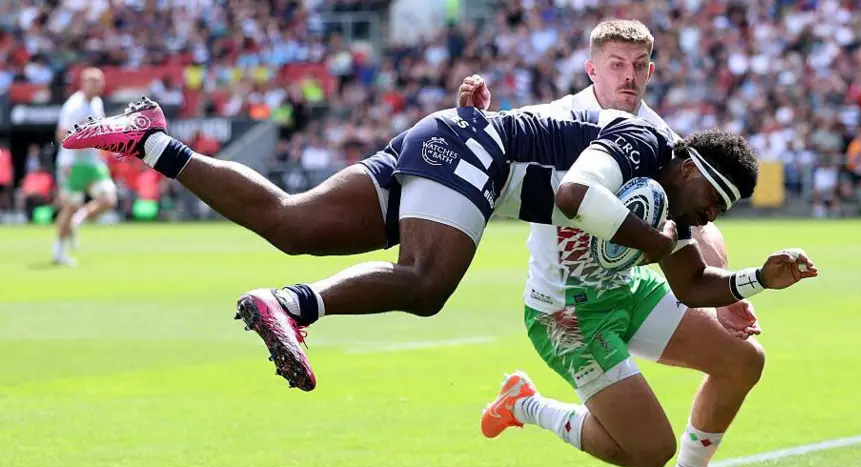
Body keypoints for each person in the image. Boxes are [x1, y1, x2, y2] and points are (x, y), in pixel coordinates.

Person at [63, 95, 807, 397]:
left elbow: (692, 288)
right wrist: (660, 241)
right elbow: (577, 196)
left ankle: (152, 138)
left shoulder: (668, 206)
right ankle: (292, 306)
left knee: (291, 224)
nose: (704, 215)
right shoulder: (644, 139)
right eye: (710, 200)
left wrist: (754, 279)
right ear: (689, 167)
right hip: (472, 147)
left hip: (454, 144)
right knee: (426, 284)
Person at [461, 20, 817, 467]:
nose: (627, 77)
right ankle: (525, 404)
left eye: (637, 67)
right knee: (649, 451)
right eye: (615, 65)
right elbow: (500, 142)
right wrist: (477, 118)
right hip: (567, 316)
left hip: (630, 290)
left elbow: (696, 226)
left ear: (650, 72)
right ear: (592, 70)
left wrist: (737, 290)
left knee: (744, 360)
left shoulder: (662, 138)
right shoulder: (557, 119)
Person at [52, 68, 119, 266]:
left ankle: (77, 222)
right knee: (70, 206)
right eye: (92, 81)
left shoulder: (97, 104)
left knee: (108, 199)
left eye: (99, 81)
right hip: (72, 162)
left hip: (93, 160)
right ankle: (58, 251)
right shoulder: (73, 106)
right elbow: (60, 134)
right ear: (83, 83)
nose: (97, 85)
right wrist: (83, 139)